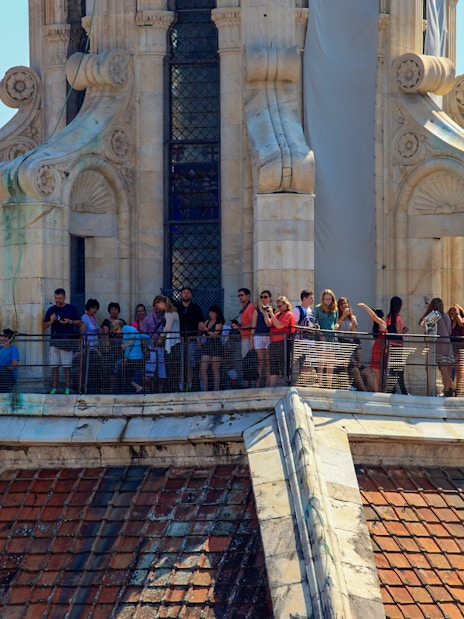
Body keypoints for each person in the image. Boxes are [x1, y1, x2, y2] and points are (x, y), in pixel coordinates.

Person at [43, 288, 82, 394]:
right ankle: (54, 389)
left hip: (67, 341)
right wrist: (51, 321)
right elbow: (43, 326)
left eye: (60, 298)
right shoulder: (51, 310)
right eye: (56, 298)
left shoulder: (71, 308)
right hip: (54, 341)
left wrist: (69, 321)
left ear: (64, 297)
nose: (58, 300)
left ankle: (67, 389)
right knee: (54, 366)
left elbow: (79, 322)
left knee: (67, 366)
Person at [336, 297, 373, 392]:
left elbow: (354, 336)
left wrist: (353, 326)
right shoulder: (337, 317)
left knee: (367, 371)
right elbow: (336, 329)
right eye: (342, 304)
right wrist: (343, 317)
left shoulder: (352, 317)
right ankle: (364, 391)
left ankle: (376, 391)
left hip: (352, 350)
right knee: (356, 371)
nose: (344, 305)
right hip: (343, 351)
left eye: (345, 303)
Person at [419, 298, 455, 397]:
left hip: (439, 346)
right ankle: (449, 390)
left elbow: (423, 324)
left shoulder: (435, 315)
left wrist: (427, 314)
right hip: (448, 344)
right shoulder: (446, 315)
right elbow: (449, 332)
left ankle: (445, 391)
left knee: (442, 369)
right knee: (447, 370)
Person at [174, 286, 204, 390]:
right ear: (181, 294)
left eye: (188, 293)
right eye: (184, 292)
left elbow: (200, 324)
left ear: (191, 295)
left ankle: (189, 386)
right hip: (179, 341)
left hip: (192, 341)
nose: (186, 294)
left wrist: (199, 339)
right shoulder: (176, 308)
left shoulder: (196, 308)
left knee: (190, 364)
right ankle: (181, 386)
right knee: (181, 364)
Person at [264, 295, 296, 387]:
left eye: (280, 306)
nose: (278, 308)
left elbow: (279, 326)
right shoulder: (278, 314)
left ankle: (287, 384)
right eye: (277, 306)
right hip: (274, 342)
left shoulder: (289, 314)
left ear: (286, 305)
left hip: (283, 342)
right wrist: (266, 314)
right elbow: (269, 324)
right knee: (273, 364)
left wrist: (272, 314)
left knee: (283, 363)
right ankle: (272, 385)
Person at [358, 303, 387, 392]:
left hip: (381, 350)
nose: (370, 317)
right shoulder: (376, 325)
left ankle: (380, 392)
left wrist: (366, 307)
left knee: (379, 374)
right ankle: (376, 392)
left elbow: (374, 317)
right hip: (376, 349)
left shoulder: (382, 323)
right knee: (375, 373)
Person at [155, 295, 182, 392]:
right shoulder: (171, 312)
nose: (157, 306)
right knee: (171, 366)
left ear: (161, 302)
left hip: (173, 343)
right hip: (172, 342)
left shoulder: (170, 312)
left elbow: (167, 327)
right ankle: (172, 387)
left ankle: (173, 388)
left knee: (172, 367)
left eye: (157, 304)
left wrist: (161, 337)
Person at [140, 296, 167, 392]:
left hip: (161, 348)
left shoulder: (165, 318)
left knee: (162, 371)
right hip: (150, 348)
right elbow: (142, 334)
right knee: (149, 372)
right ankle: (149, 392)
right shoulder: (148, 319)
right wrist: (145, 348)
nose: (156, 307)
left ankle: (160, 392)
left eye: (158, 305)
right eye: (154, 305)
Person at [314, 289, 338, 388]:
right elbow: (315, 323)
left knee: (330, 363)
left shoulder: (335, 309)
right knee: (321, 362)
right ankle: (320, 383)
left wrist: (336, 326)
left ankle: (329, 384)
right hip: (322, 338)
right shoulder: (318, 308)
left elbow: (335, 321)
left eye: (330, 299)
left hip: (332, 338)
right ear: (322, 299)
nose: (328, 301)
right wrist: (320, 334)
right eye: (326, 299)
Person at [385, 296, 409, 395]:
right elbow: (399, 332)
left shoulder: (388, 317)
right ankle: (402, 391)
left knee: (394, 369)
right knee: (399, 368)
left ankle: (392, 389)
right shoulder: (397, 318)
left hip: (390, 345)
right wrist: (405, 330)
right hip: (397, 346)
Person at [101, 302, 126, 393]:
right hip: (112, 348)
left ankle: (120, 388)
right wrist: (108, 346)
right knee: (112, 369)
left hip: (121, 347)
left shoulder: (122, 322)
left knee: (121, 368)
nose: (114, 311)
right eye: (112, 309)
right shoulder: (106, 322)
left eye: (116, 309)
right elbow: (106, 336)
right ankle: (111, 389)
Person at [198, 305, 225, 391]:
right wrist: (201, 329)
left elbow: (215, 334)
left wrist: (205, 328)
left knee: (215, 368)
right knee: (203, 368)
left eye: (213, 312)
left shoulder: (219, 322)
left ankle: (216, 389)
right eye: (210, 312)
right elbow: (202, 332)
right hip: (207, 345)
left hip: (216, 345)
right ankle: (205, 389)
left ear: (216, 313)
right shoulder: (207, 321)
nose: (210, 314)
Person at [250, 290, 273, 387]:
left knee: (268, 362)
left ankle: (268, 384)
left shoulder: (273, 310)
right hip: (259, 336)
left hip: (269, 337)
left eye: (265, 297)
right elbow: (253, 327)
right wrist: (251, 342)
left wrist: (267, 313)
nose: (263, 299)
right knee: (260, 362)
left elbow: (270, 324)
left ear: (270, 298)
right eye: (262, 297)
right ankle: (257, 384)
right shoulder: (256, 311)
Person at [80, 299, 101, 393]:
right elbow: (82, 332)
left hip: (94, 347)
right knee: (88, 369)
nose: (95, 310)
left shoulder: (93, 318)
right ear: (89, 308)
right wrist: (83, 344)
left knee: (95, 368)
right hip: (88, 348)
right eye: (93, 308)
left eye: (96, 308)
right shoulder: (84, 318)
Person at [121, 325, 150, 393]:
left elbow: (133, 330)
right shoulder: (136, 335)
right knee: (134, 375)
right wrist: (148, 344)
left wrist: (128, 343)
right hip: (139, 358)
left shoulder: (124, 328)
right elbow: (147, 337)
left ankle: (138, 387)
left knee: (123, 375)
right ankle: (139, 388)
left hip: (132, 358)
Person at [448, 304, 464, 396]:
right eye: (451, 311)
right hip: (452, 348)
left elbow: (461, 323)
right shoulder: (451, 321)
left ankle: (458, 390)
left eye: (454, 310)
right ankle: (450, 389)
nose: (452, 312)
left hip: (461, 348)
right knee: (449, 369)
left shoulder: (462, 319)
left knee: (459, 370)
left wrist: (458, 313)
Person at [237, 288, 256, 359]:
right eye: (238, 296)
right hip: (244, 336)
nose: (240, 297)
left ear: (248, 296)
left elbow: (253, 323)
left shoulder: (250, 307)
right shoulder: (244, 307)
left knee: (247, 360)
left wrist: (240, 328)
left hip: (248, 338)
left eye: (242, 295)